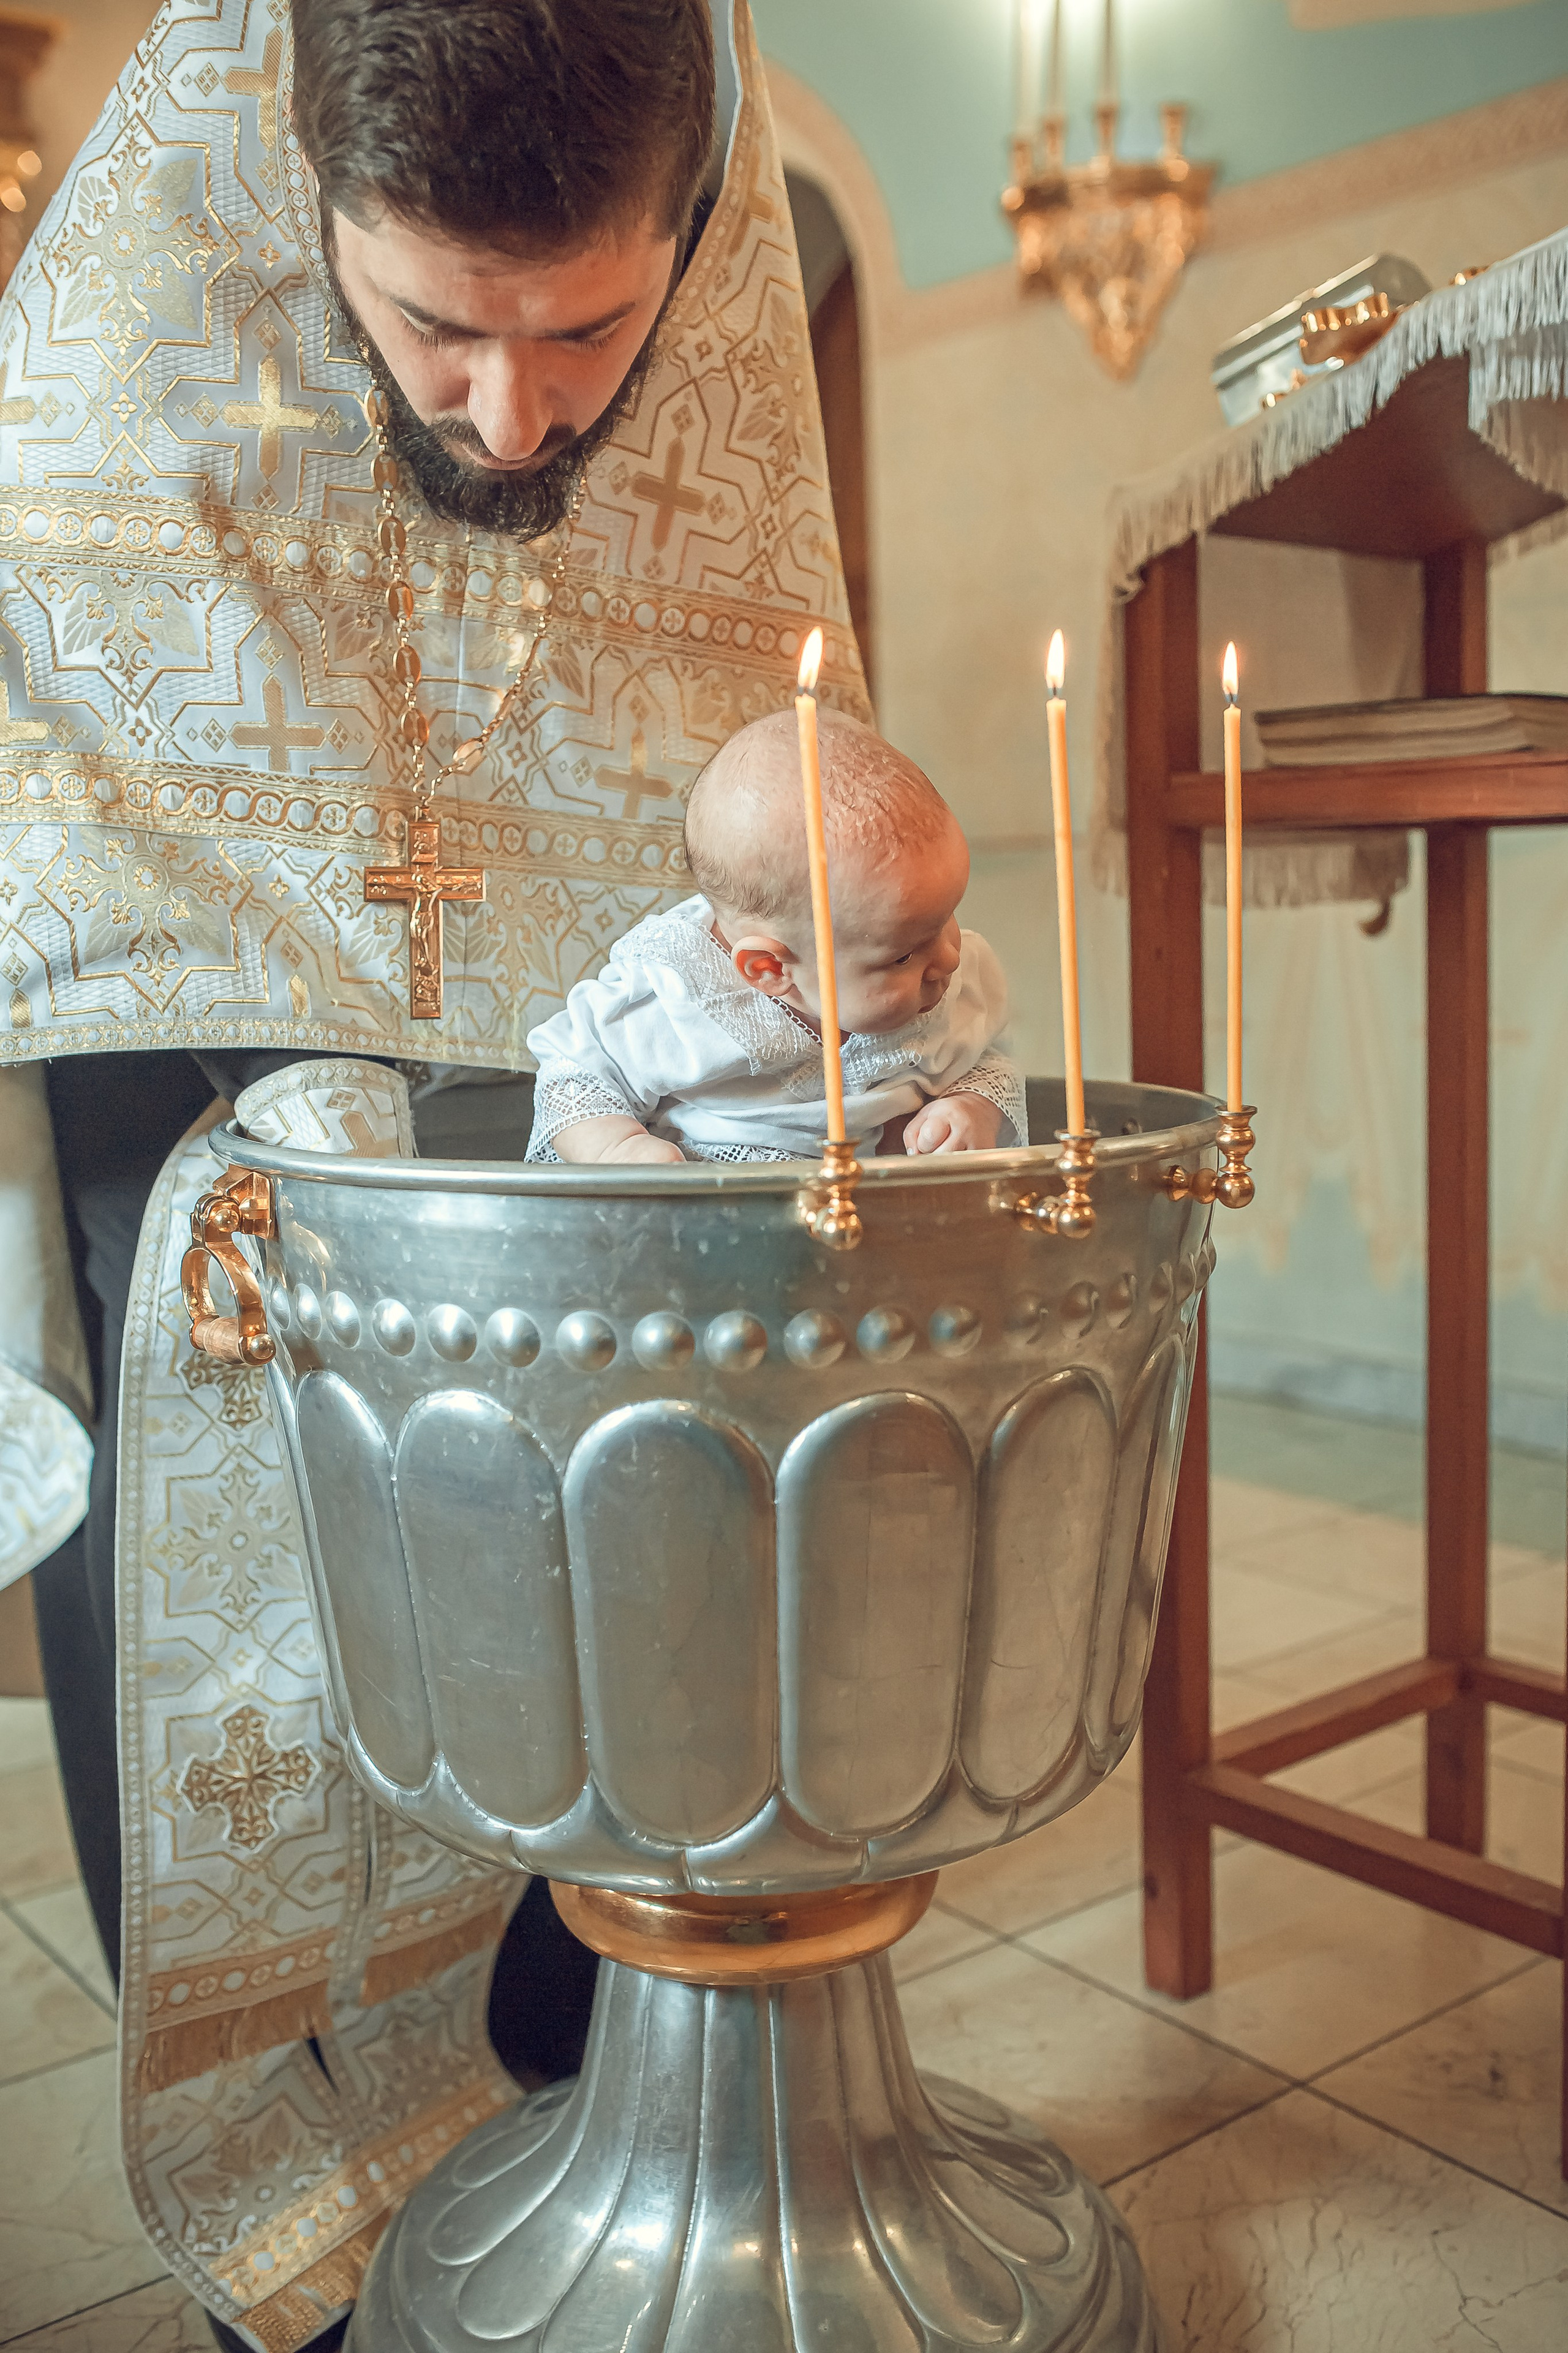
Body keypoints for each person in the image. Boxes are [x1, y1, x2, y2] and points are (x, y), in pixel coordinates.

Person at [0, 1, 868, 2342]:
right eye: (431, 326)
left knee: (619, 1679)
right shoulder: (118, 350)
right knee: (237, 1677)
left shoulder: (715, 318)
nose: (513, 416)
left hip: (593, 1162)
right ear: (303, 199)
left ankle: (596, 2204)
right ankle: (298, 2252)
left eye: (588, 331)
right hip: (207, 1146)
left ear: (688, 229)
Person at [530, 709, 1026, 1163]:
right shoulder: (679, 1000)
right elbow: (574, 1072)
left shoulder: (949, 982)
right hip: (721, 1212)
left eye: (946, 918)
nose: (949, 959)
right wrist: (619, 1149)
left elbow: (987, 1055)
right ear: (770, 970)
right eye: (902, 956)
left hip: (877, 1214)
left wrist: (973, 1106)